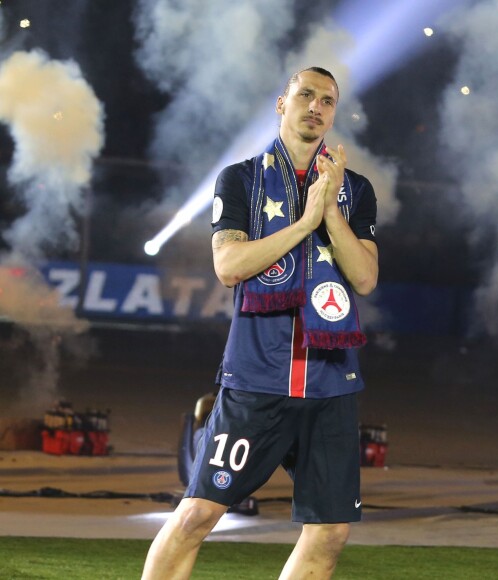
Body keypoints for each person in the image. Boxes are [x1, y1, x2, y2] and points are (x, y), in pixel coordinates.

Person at [142, 66, 378, 580]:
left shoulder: (354, 189)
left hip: (330, 383)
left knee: (331, 530)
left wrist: (331, 215)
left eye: (328, 101)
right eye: (306, 95)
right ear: (282, 103)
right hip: (255, 380)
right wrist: (303, 225)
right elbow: (229, 266)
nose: (316, 107)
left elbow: (364, 278)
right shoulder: (241, 180)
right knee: (197, 514)